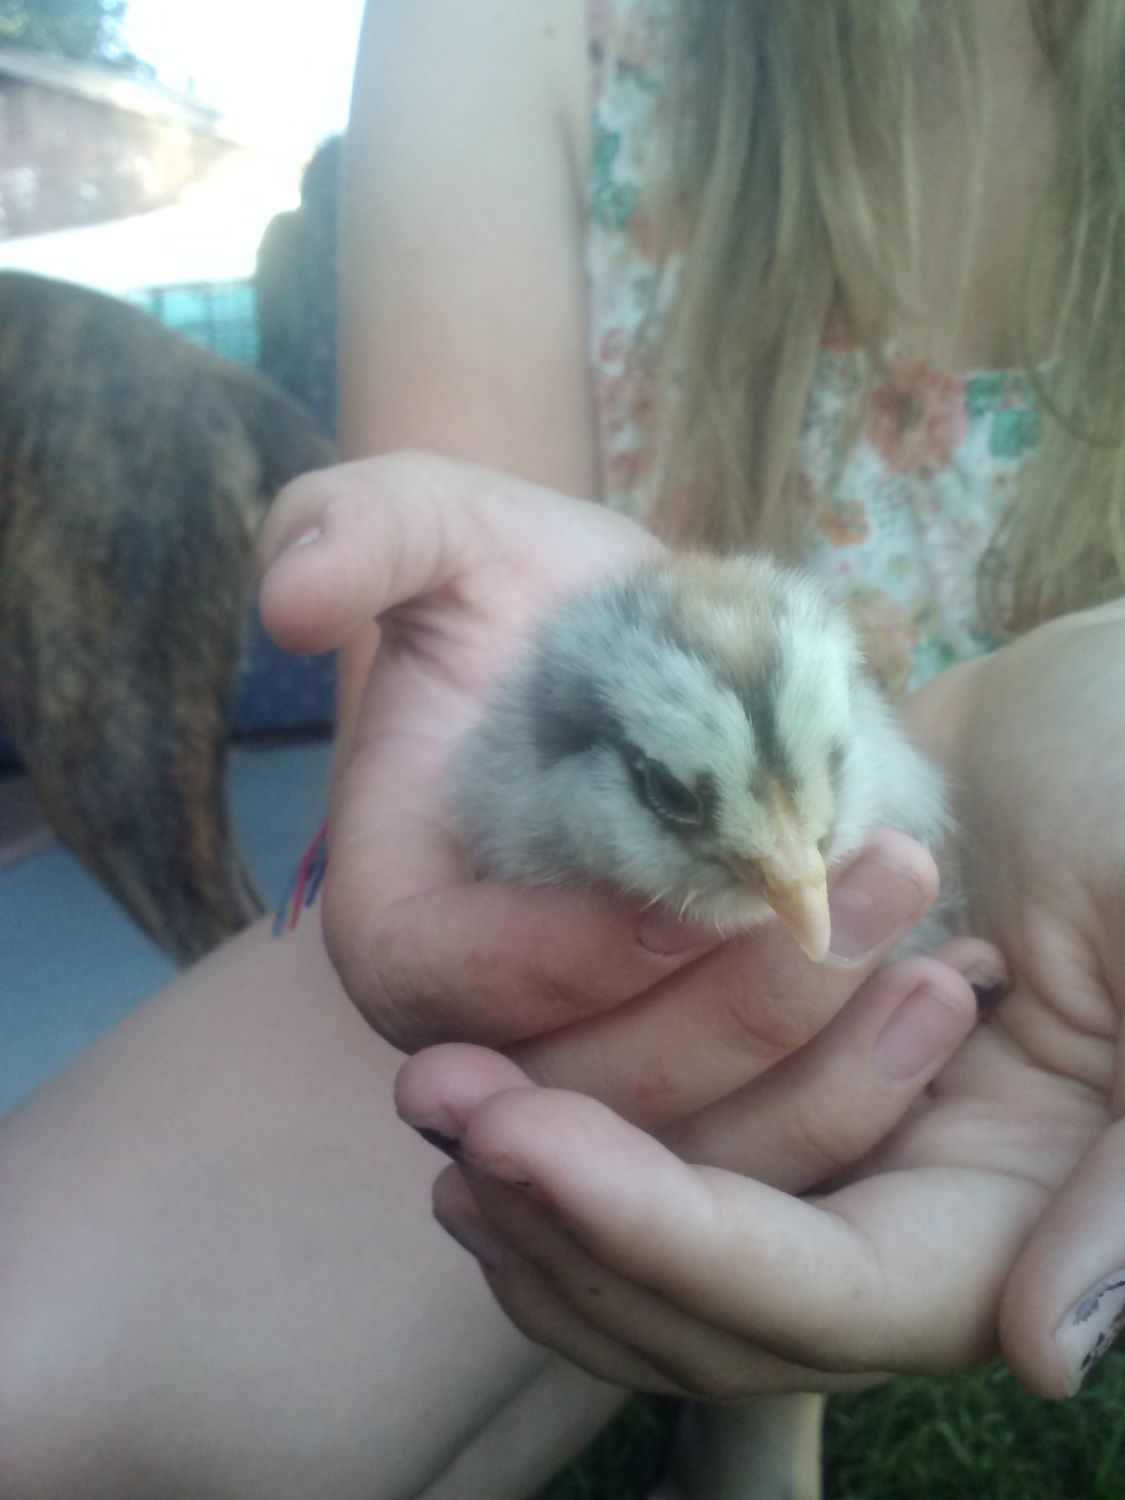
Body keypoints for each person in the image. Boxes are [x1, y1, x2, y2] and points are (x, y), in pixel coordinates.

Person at [2, 4, 1124, 1499]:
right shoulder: (520, 29)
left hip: (957, 876)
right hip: (535, 973)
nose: (787, 873)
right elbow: (462, 731)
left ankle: (741, 1408)